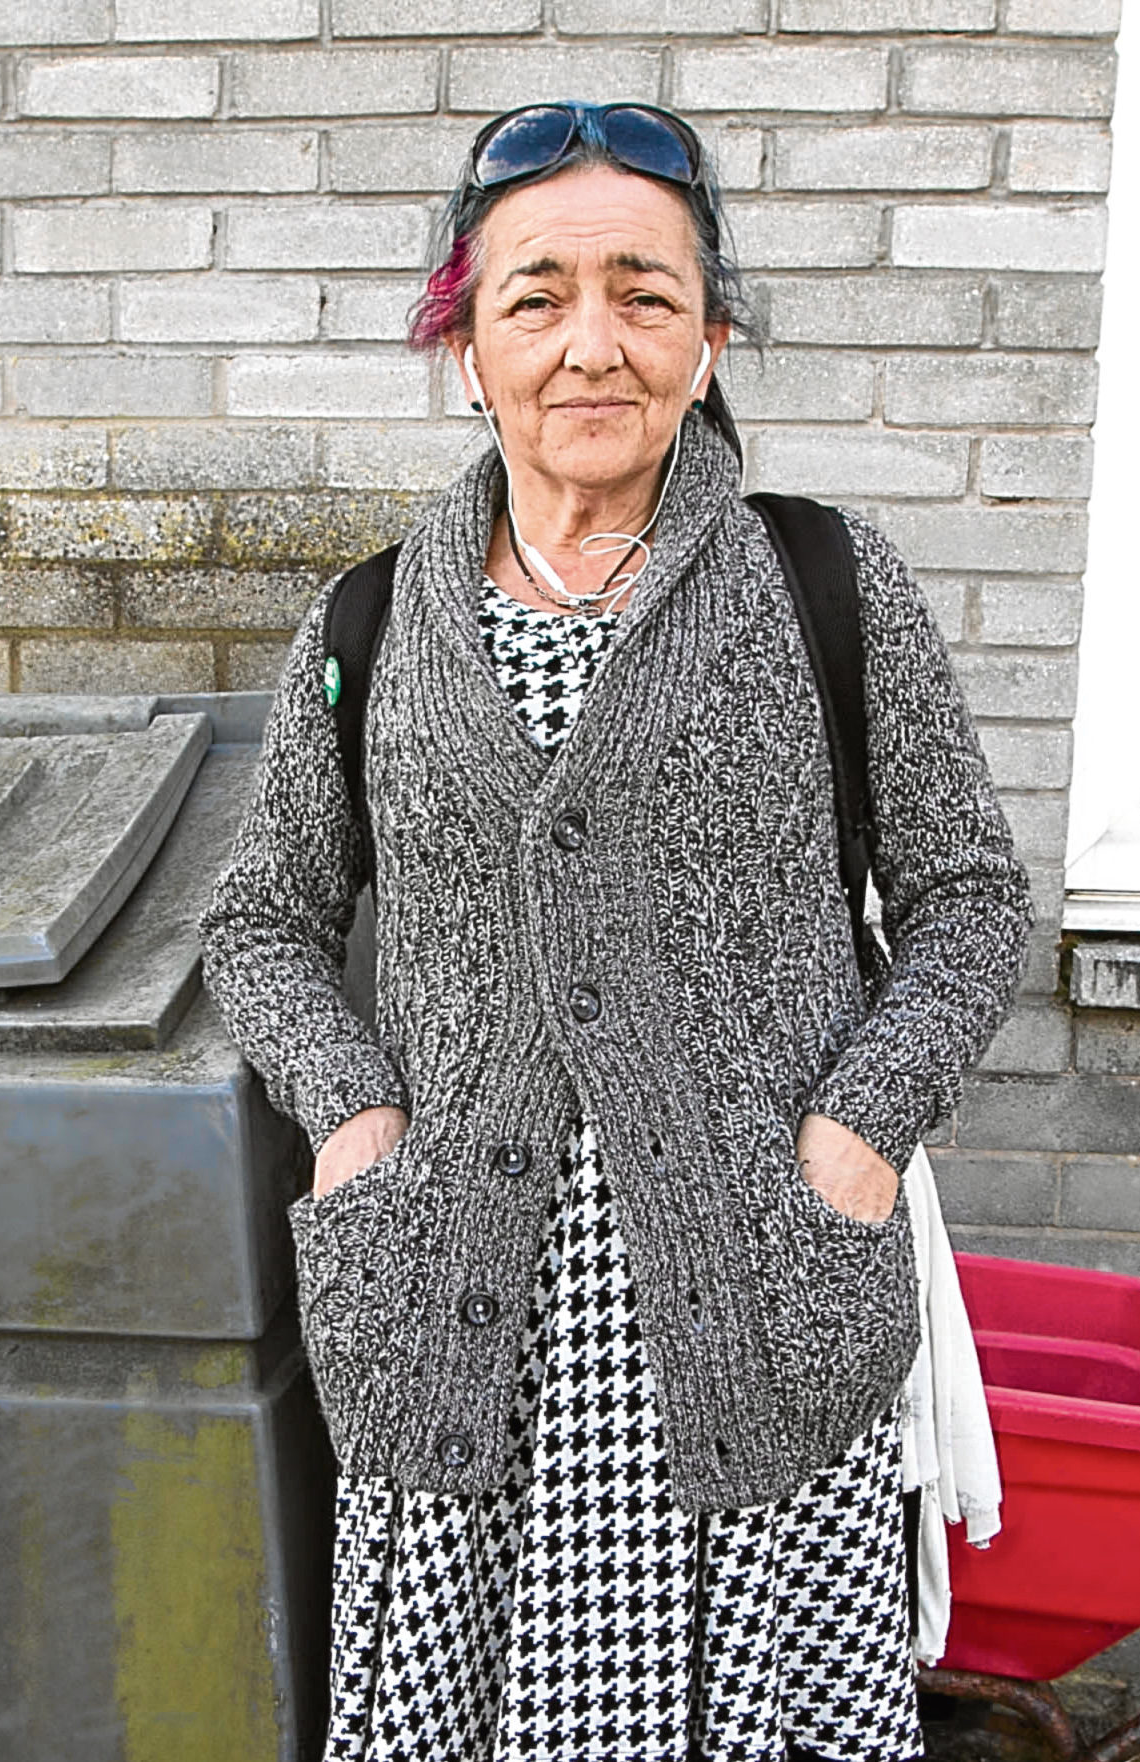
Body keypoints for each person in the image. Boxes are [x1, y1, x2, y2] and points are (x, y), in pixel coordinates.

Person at [199, 100, 1031, 1762]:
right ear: (465, 347)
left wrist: (852, 1140)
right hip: (460, 1314)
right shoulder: (367, 619)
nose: (593, 343)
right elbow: (261, 922)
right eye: (536, 295)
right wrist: (357, 1122)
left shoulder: (824, 583)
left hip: (757, 1306)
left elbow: (968, 904)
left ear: (710, 334)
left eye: (645, 294)